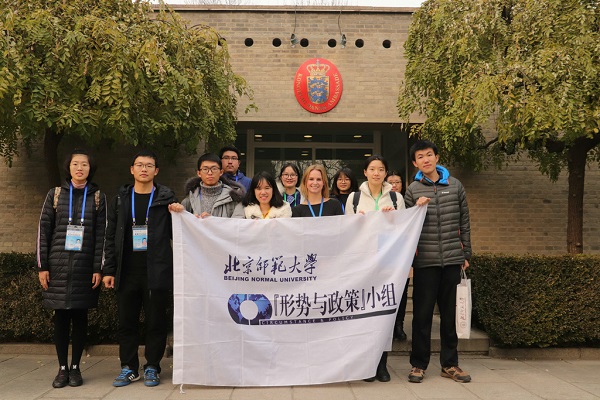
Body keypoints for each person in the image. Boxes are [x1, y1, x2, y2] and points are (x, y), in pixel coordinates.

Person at [102, 150, 177, 388]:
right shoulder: (120, 199)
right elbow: (110, 237)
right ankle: (129, 367)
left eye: (149, 165)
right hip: (127, 271)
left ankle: (153, 366)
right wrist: (109, 270)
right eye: (140, 165)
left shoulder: (165, 199)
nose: (144, 169)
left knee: (156, 322)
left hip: (157, 271)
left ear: (156, 171)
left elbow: (178, 233)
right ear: (132, 169)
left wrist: (184, 215)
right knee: (127, 322)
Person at [404, 140, 472, 384]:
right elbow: (407, 226)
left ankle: (450, 364)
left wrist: (466, 254)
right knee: (421, 316)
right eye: (420, 157)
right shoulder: (412, 190)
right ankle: (418, 364)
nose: (426, 159)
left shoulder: (455, 186)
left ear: (437, 157)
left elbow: (464, 221)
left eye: (429, 155)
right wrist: (416, 208)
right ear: (415, 163)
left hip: (452, 259)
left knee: (449, 316)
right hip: (425, 262)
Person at [37, 149, 106, 388]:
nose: (79, 168)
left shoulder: (98, 197)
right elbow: (43, 231)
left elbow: (102, 235)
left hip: (84, 268)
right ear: (68, 167)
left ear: (90, 169)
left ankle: (76, 367)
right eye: (75, 164)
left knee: (80, 317)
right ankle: (62, 368)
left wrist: (98, 268)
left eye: (84, 164)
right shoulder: (55, 194)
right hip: (57, 267)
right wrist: (42, 266)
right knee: (60, 318)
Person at [345, 155, 409, 382]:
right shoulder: (353, 198)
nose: (376, 173)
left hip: (387, 264)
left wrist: (392, 219)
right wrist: (358, 221)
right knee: (364, 315)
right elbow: (348, 232)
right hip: (362, 263)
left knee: (384, 314)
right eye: (372, 169)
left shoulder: (396, 197)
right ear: (365, 172)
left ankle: (382, 363)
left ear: (385, 173)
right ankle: (366, 364)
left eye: (381, 169)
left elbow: (403, 230)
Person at [171, 153, 245, 218]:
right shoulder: (189, 201)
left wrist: (212, 222)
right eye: (205, 169)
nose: (210, 173)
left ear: (221, 172)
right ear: (199, 173)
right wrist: (179, 211)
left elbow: (237, 225)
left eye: (214, 169)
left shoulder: (234, 198)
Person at [386, 170, 409, 341]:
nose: (394, 185)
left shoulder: (403, 200)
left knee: (401, 289)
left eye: (397, 182)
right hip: (381, 251)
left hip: (400, 251)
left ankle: (399, 325)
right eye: (391, 182)